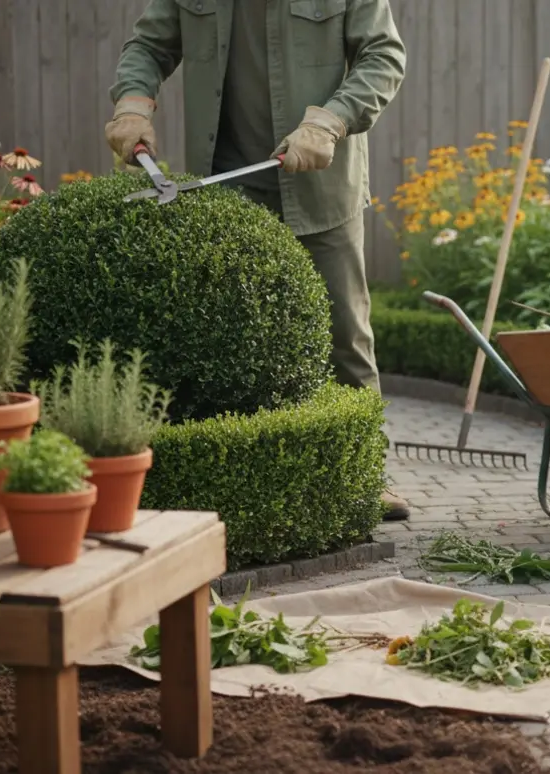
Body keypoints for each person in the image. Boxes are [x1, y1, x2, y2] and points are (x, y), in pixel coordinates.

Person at [105, 0, 411, 521]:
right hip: (228, 191)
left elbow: (383, 55)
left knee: (345, 338)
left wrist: (332, 120)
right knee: (229, 341)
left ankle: (365, 473)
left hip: (319, 190)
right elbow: (150, 45)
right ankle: (243, 478)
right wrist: (133, 102)